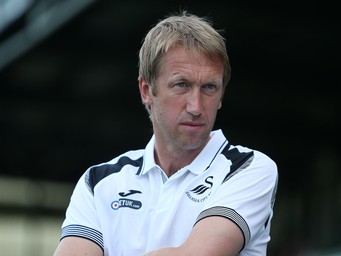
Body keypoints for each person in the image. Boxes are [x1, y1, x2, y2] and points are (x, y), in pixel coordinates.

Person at [53, 10, 278, 256]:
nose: (196, 107)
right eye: (181, 85)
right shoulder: (98, 182)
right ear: (146, 90)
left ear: (222, 94)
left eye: (210, 87)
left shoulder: (249, 169)